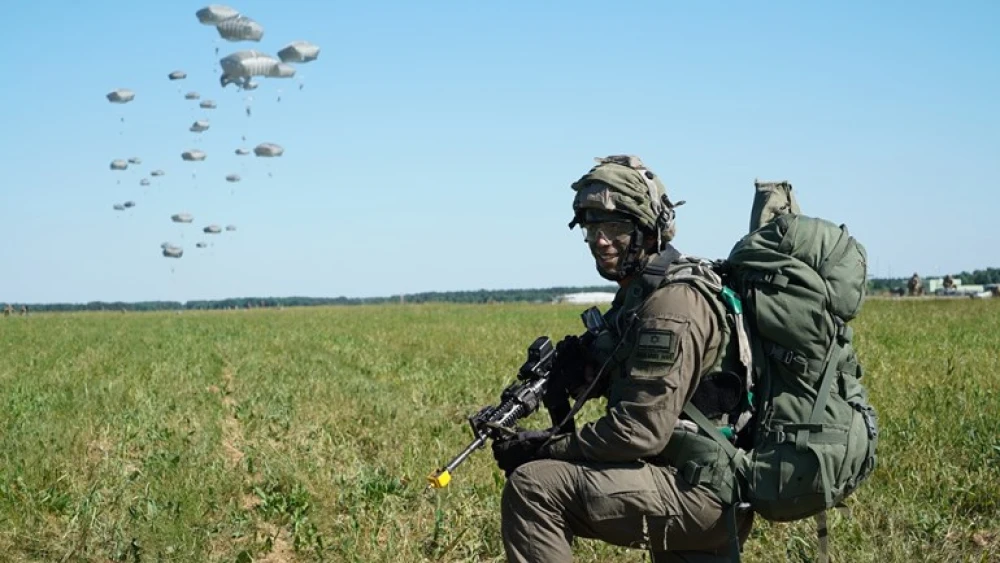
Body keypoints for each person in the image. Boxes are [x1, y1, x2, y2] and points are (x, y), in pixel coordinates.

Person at [491, 155, 754, 562]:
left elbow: (638, 432)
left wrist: (547, 448)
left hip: (699, 490)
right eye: (591, 228)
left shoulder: (670, 306)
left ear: (647, 230)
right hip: (701, 479)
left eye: (615, 227)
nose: (600, 240)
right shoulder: (642, 293)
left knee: (533, 486)